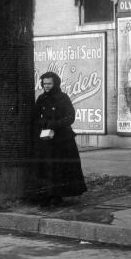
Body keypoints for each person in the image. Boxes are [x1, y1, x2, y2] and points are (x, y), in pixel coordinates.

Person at [31, 71, 87, 204]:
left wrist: (55, 124)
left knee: (61, 168)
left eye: (49, 83)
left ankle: (58, 196)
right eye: (44, 84)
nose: (47, 86)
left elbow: (70, 117)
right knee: (47, 168)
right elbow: (34, 117)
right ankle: (47, 195)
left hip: (63, 140)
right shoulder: (41, 99)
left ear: (55, 83)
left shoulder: (63, 98)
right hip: (46, 140)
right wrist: (43, 124)